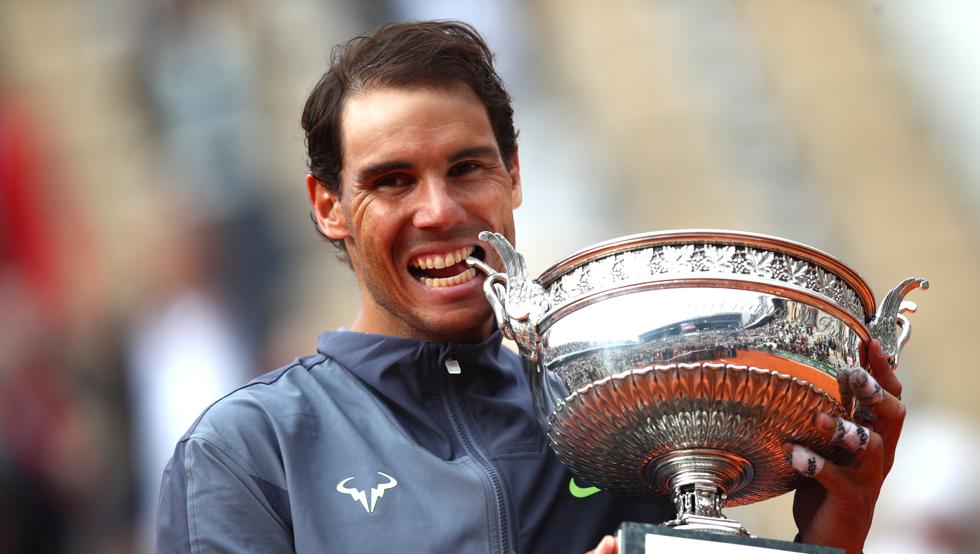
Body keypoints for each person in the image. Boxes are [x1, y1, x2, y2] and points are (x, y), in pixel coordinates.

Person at [156, 21, 905, 554]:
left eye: (467, 168)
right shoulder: (249, 452)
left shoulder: (619, 399)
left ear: (514, 175)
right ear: (328, 208)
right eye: (392, 181)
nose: (439, 211)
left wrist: (834, 532)